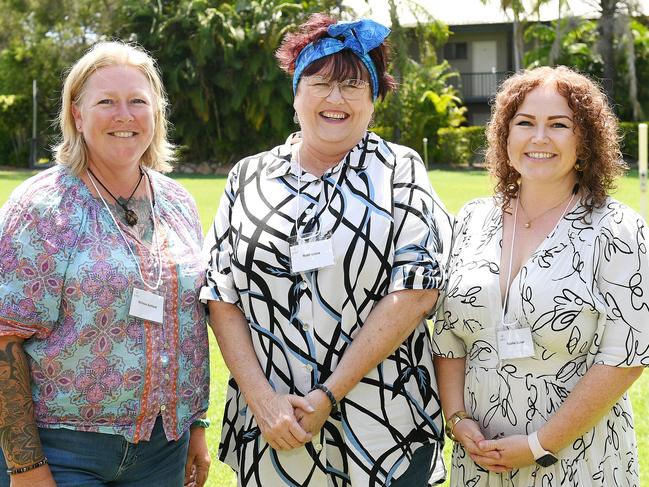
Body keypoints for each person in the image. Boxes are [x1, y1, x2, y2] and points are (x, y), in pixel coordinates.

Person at [201, 13, 453, 487]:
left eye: (354, 85)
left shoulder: (399, 169)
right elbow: (220, 293)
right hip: (275, 429)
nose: (335, 99)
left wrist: (328, 395)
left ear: (374, 100)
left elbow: (418, 289)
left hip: (385, 427)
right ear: (296, 94)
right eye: (320, 83)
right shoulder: (247, 177)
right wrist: (261, 401)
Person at [0, 41, 210, 487]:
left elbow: (188, 326)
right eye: (106, 102)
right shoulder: (41, 207)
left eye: (138, 101)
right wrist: (25, 466)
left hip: (162, 450)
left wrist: (195, 427)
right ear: (77, 115)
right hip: (62, 451)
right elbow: (3, 337)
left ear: (156, 112)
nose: (125, 115)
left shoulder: (178, 203)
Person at [433, 65, 648, 486]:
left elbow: (625, 355)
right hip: (479, 461)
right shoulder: (473, 219)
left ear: (585, 139)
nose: (539, 138)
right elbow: (447, 336)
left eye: (559, 125)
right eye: (525, 123)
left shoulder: (617, 229)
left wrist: (539, 443)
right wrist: (457, 419)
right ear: (505, 134)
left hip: (577, 460)